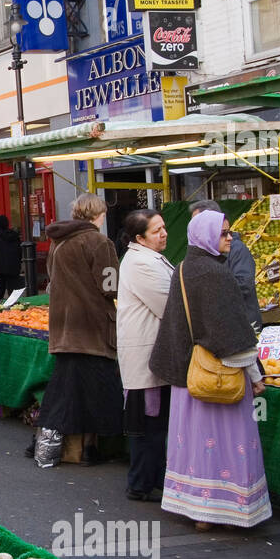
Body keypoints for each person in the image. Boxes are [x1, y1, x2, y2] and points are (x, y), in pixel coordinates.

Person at [150, 210, 271, 531]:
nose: (230, 238)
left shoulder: (182, 269)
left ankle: (198, 510)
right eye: (224, 234)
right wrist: (256, 376)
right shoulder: (217, 274)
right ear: (206, 237)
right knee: (229, 444)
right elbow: (233, 334)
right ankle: (228, 511)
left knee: (194, 445)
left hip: (189, 377)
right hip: (220, 378)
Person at [36, 194, 124, 464]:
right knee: (96, 393)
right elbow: (110, 285)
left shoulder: (58, 243)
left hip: (64, 327)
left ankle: (49, 449)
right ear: (99, 215)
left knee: (66, 392)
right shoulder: (100, 242)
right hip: (93, 328)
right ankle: (90, 449)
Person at [116, 209, 174, 501]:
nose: (163, 234)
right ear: (139, 238)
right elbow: (169, 305)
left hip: (150, 355)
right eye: (156, 231)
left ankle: (151, 480)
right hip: (145, 358)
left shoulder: (146, 257)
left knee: (154, 424)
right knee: (148, 424)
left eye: (163, 227)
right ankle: (140, 484)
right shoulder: (141, 263)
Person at [189, 200, 261, 330]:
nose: (195, 228)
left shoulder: (236, 249)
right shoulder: (197, 259)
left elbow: (244, 284)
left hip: (241, 324)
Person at [0, 215, 24, 300]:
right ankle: (14, 305)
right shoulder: (14, 234)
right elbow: (19, 250)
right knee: (13, 289)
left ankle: (0, 305)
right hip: (13, 266)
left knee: (0, 289)